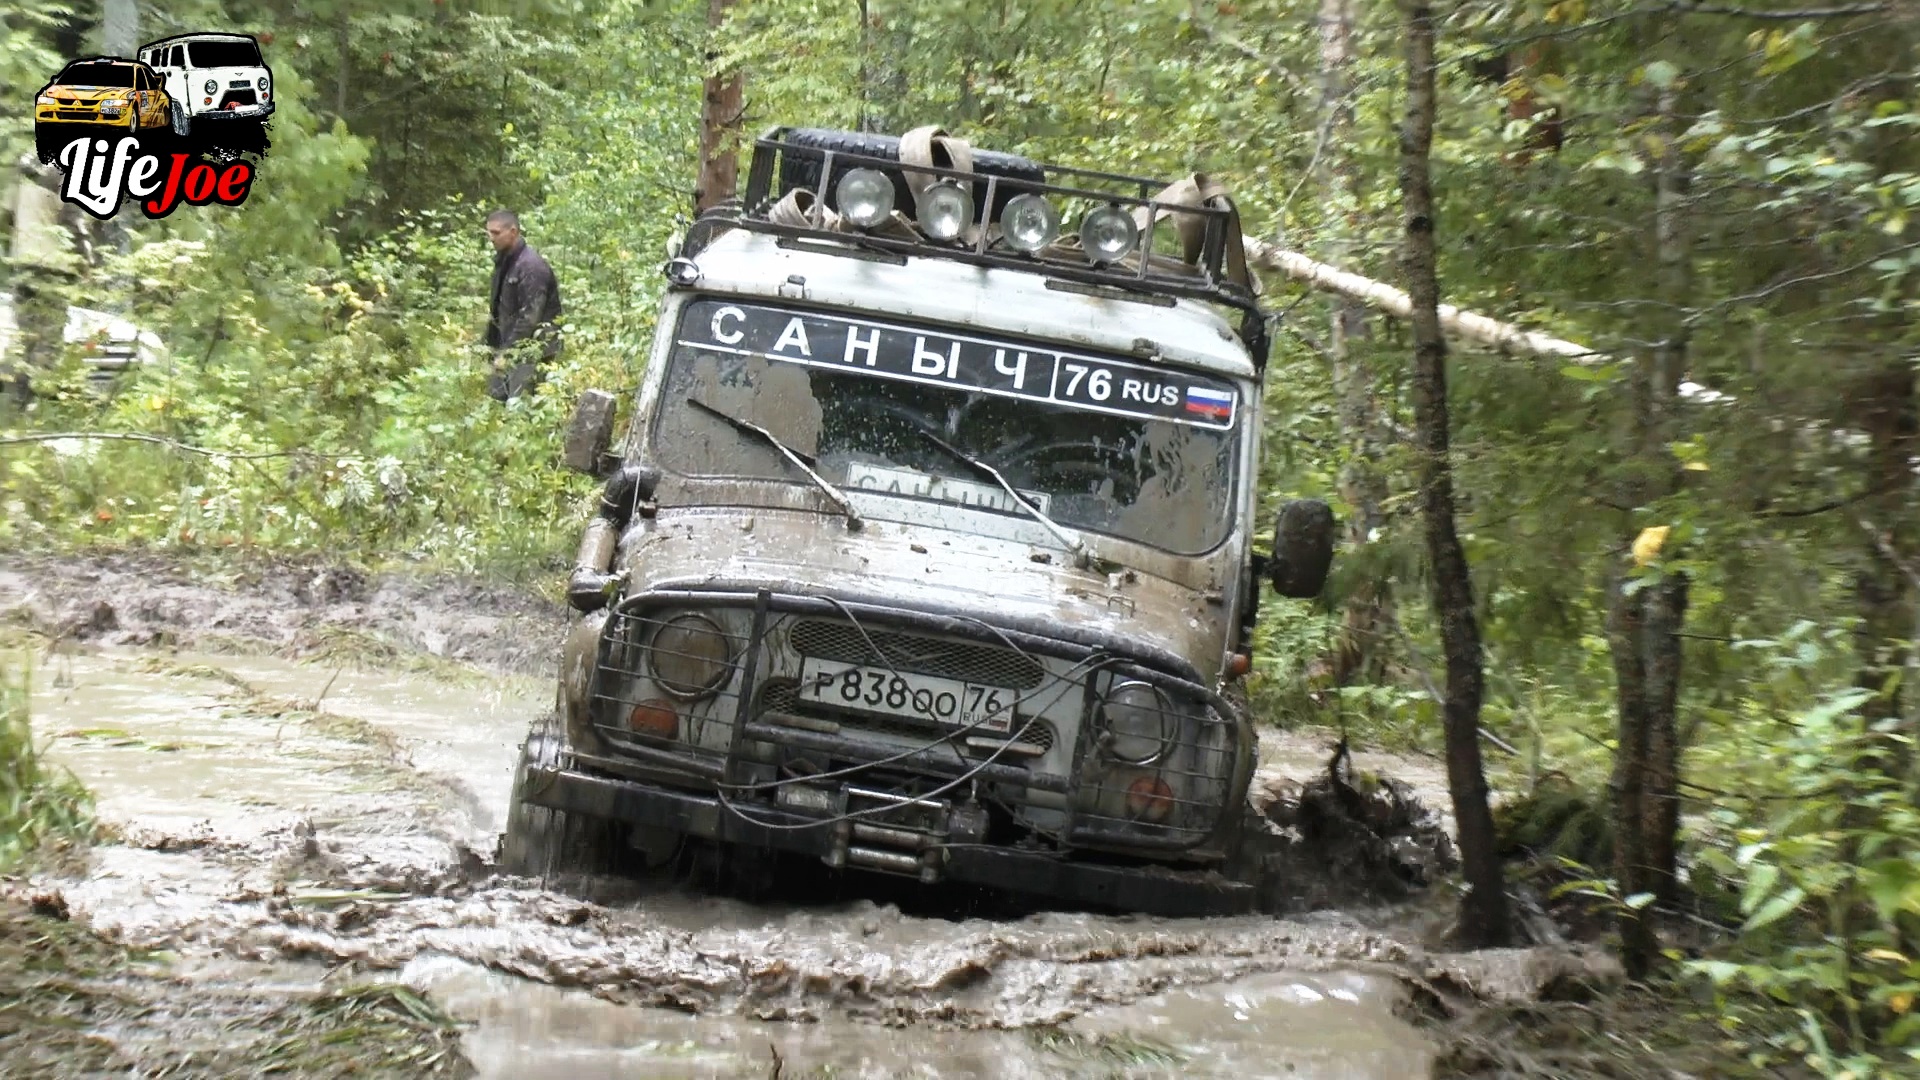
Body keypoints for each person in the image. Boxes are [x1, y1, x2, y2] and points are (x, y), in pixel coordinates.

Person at [483, 209, 562, 401]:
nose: (491, 238)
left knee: (520, 407)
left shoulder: (531, 266)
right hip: (507, 346)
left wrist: (507, 353)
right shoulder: (504, 261)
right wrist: (489, 344)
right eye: (489, 233)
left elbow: (530, 317)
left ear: (513, 231)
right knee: (496, 400)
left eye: (496, 233)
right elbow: (499, 308)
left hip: (531, 351)